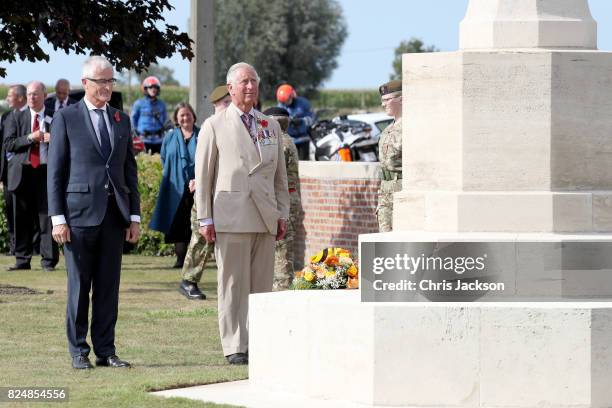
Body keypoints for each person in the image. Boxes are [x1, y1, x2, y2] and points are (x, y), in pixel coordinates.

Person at [48, 55, 141, 369]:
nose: (107, 87)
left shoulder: (120, 119)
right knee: (79, 287)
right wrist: (57, 218)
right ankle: (78, 351)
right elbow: (56, 173)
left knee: (107, 288)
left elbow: (130, 171)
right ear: (85, 83)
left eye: (111, 81)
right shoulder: (66, 118)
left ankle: (106, 350)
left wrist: (135, 217)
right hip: (78, 217)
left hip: (114, 217)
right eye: (101, 81)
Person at [195, 62, 289, 365]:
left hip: (265, 215)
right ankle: (235, 344)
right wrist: (204, 217)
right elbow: (204, 175)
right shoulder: (214, 125)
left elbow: (279, 176)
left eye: (254, 82)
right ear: (231, 87)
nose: (250, 87)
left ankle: (258, 340)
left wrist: (282, 214)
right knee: (233, 284)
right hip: (231, 215)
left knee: (262, 285)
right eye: (243, 82)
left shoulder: (269, 124)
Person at [179, 84, 231, 300]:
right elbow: (204, 164)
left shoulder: (230, 126)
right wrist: (198, 183)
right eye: (227, 103)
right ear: (217, 105)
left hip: (222, 194)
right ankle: (188, 281)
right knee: (201, 238)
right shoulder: (212, 127)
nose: (230, 107)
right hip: (207, 194)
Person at [3, 81, 59, 271]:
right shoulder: (16, 117)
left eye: (35, 94)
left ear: (44, 95)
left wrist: (55, 139)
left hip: (45, 173)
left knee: (46, 218)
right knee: (22, 219)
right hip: (22, 173)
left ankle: (48, 261)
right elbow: (8, 144)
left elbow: (67, 143)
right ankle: (22, 259)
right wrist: (29, 138)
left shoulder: (56, 116)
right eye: (28, 94)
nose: (31, 98)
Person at [149, 102, 199, 268]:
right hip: (175, 187)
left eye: (188, 114)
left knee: (196, 224)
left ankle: (195, 260)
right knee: (177, 224)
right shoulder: (170, 137)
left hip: (198, 187)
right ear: (177, 119)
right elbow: (164, 157)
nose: (185, 118)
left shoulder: (202, 134)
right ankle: (180, 259)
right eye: (181, 115)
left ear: (193, 116)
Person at [263, 107, 301, 290]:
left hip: (283, 202)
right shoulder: (287, 141)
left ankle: (283, 291)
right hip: (288, 199)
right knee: (283, 250)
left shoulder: (281, 144)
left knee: (282, 251)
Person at [0, 85, 27, 255]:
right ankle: (13, 246)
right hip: (7, 170)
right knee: (10, 209)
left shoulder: (27, 116)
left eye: (11, 96)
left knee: (24, 212)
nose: (8, 99)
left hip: (24, 170)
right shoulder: (6, 116)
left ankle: (30, 247)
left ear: (20, 97)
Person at [376, 79, 402, 232]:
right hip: (385, 192)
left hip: (401, 189)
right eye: (382, 100)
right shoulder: (387, 130)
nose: (383, 104)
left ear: (401, 99)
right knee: (384, 242)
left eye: (387, 99)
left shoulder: (411, 127)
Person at [276, 84, 314, 160]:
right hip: (289, 141)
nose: (285, 103)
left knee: (304, 164)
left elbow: (312, 119)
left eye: (287, 100)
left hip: (303, 138)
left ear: (292, 96)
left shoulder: (303, 103)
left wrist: (301, 121)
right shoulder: (280, 106)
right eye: (283, 102)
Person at [131, 76, 168, 154]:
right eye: (150, 87)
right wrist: (136, 135)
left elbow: (165, 120)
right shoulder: (138, 104)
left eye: (155, 87)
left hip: (159, 140)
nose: (153, 89)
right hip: (143, 140)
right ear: (145, 89)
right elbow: (133, 120)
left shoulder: (162, 105)